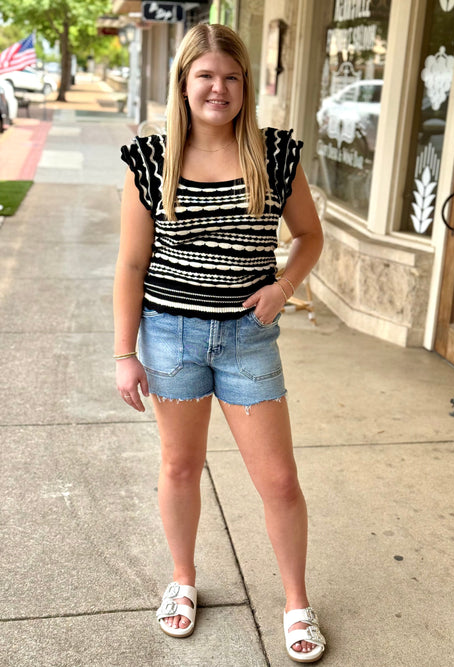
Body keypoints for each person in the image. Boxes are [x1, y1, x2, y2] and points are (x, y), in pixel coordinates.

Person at [113, 23, 325, 663]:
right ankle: (182, 580)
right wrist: (125, 354)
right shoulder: (151, 160)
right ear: (183, 82)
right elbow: (131, 265)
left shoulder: (274, 154)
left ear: (245, 85)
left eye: (231, 77)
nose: (218, 88)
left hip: (248, 340)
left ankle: (296, 602)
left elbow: (309, 237)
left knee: (279, 481)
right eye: (205, 75)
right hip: (170, 338)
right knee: (180, 468)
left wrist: (283, 287)